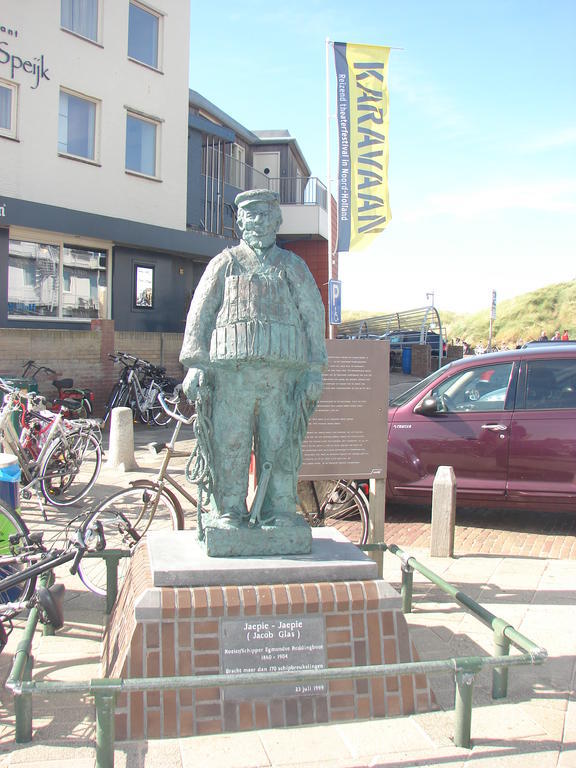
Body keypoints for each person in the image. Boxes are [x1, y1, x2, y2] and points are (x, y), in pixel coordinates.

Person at [180, 189, 327, 531]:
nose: (259, 222)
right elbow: (200, 313)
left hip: (281, 378)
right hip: (231, 376)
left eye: (266, 215)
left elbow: (312, 314)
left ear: (277, 221)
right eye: (252, 215)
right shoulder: (224, 264)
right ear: (240, 222)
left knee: (279, 445)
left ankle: (280, 510)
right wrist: (196, 364)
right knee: (230, 441)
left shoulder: (293, 266)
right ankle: (229, 510)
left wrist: (314, 370)